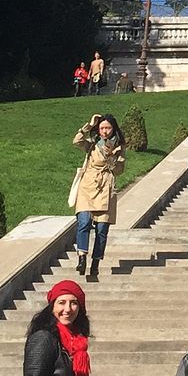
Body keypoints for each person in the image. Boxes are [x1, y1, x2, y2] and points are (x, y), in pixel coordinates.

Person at [73, 113, 126, 282]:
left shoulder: (119, 146)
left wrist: (112, 160)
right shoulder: (93, 144)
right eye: (102, 128)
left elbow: (119, 171)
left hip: (106, 188)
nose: (104, 131)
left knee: (102, 229)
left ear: (113, 129)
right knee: (84, 222)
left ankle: (96, 261)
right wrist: (89, 125)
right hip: (88, 186)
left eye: (108, 128)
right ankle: (82, 257)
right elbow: (77, 141)